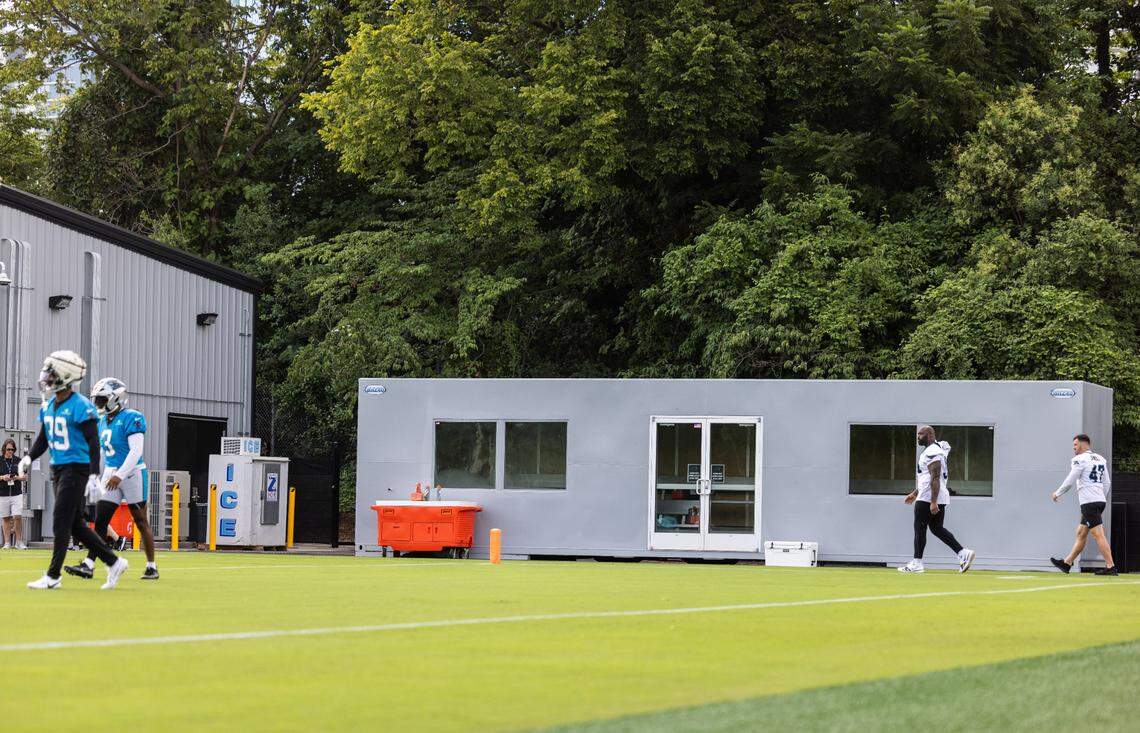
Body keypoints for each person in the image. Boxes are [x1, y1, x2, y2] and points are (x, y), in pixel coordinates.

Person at [22, 350, 128, 590]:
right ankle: (114, 561)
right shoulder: (50, 405)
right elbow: (43, 439)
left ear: (64, 376)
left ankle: (53, 575)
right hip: (58, 469)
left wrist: (92, 475)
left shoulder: (81, 406)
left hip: (76, 469)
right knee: (75, 524)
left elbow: (93, 442)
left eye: (52, 372)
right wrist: (28, 457)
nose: (47, 376)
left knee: (60, 520)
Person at [66, 377, 158, 581]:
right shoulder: (101, 421)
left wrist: (119, 475)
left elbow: (136, 452)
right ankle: (89, 565)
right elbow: (99, 451)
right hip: (111, 473)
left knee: (141, 521)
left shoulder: (132, 417)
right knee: (100, 520)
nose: (97, 404)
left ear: (114, 398)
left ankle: (152, 566)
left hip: (132, 473)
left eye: (101, 399)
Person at [898, 425, 976, 574]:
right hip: (935, 494)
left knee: (919, 528)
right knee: (936, 528)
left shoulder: (932, 451)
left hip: (929, 497)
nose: (918, 437)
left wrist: (932, 501)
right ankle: (963, 553)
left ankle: (917, 563)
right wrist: (915, 493)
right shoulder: (935, 449)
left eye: (920, 434)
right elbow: (928, 478)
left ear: (929, 435)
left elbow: (935, 477)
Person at [1050, 434, 1116, 575]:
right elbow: (1107, 482)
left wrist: (1058, 493)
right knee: (1081, 533)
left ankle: (1111, 567)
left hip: (1089, 502)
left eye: (1075, 445)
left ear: (1082, 444)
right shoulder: (1100, 459)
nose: (1074, 448)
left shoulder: (1079, 459)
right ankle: (1067, 563)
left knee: (1098, 535)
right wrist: (1100, 497)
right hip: (1099, 500)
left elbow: (1070, 479)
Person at [1, 438, 28, 549]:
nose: (10, 451)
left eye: (12, 449)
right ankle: (7, 543)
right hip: (3, 493)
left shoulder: (19, 460)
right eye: (8, 449)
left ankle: (19, 542)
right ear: (4, 449)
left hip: (16, 493)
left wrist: (16, 477)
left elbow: (25, 477)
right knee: (6, 518)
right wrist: (3, 477)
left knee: (17, 516)